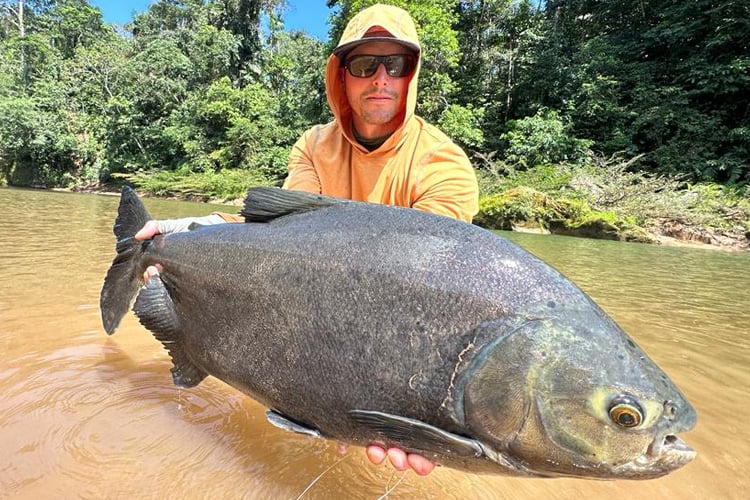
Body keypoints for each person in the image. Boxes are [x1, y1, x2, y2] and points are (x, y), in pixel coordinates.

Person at [135, 4, 479, 477]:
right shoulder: (314, 146)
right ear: (343, 76)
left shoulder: (446, 166)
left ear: (410, 75)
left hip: (383, 319)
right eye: (364, 65)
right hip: (311, 296)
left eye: (395, 65)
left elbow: (420, 287)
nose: (381, 78)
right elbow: (285, 239)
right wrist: (185, 231)